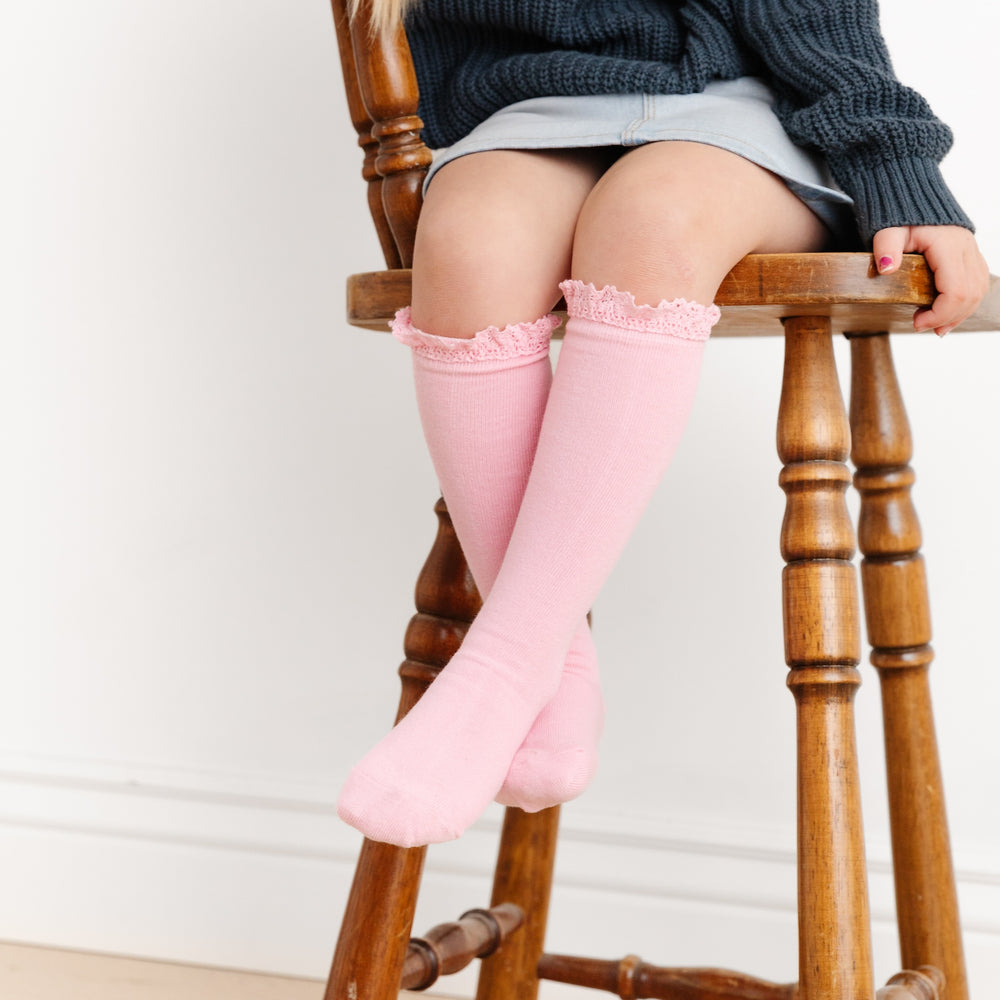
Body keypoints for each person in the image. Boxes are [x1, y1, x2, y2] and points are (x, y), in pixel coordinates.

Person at [336, 0, 990, 848]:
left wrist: (897, 165)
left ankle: (501, 668)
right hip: (532, 110)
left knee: (650, 220)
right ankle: (552, 660)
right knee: (467, 244)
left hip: (750, 111)